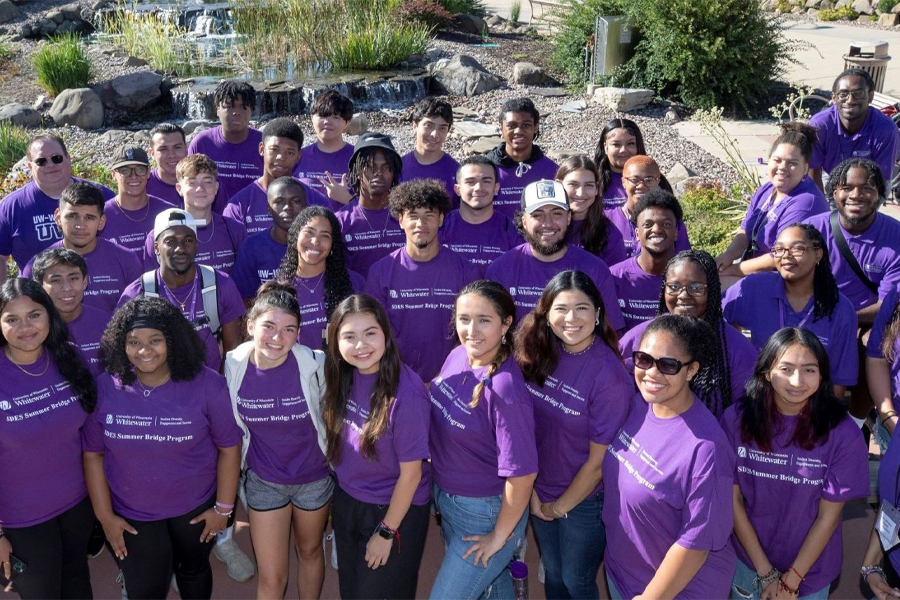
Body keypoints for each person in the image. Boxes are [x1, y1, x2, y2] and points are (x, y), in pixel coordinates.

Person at [83, 296, 242, 599]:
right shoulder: (105, 387)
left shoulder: (208, 384)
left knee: (193, 571)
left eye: (155, 340)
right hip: (133, 513)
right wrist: (105, 516)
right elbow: (93, 454)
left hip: (195, 508)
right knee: (145, 589)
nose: (144, 350)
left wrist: (224, 508)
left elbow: (229, 448)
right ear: (121, 344)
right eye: (133, 342)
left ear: (172, 340)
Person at [723, 328, 868, 600]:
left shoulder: (842, 431)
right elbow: (732, 502)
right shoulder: (736, 419)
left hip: (810, 572)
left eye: (809, 370)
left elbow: (828, 517)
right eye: (786, 368)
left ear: (823, 374)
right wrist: (765, 572)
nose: (797, 380)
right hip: (748, 562)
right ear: (767, 371)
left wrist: (791, 581)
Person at [514, 270, 631, 600]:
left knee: (575, 579)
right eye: (561, 308)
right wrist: (533, 491)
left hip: (583, 499)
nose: (571, 318)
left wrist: (556, 508)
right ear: (547, 314)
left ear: (597, 314)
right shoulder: (538, 352)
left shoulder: (610, 377)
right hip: (540, 487)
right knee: (552, 570)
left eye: (582, 308)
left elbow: (597, 464)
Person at [603, 314, 736, 599]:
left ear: (691, 370)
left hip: (673, 591)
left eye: (668, 365)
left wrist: (650, 598)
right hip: (623, 574)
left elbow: (695, 544)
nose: (652, 372)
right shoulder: (640, 406)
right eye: (644, 359)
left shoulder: (706, 448)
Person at [428, 280, 538, 599]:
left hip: (485, 515)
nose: (471, 330)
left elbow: (523, 474)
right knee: (492, 587)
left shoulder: (506, 390)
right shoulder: (458, 356)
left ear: (506, 324)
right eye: (464, 319)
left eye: (484, 320)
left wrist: (499, 538)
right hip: (448, 500)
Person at [224, 281, 333, 600]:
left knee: (310, 552)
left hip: (313, 478)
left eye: (289, 329)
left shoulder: (315, 364)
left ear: (299, 333)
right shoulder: (233, 364)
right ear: (250, 325)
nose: (277, 337)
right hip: (264, 480)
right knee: (272, 578)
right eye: (269, 326)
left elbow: (333, 417)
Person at [322, 294, 432, 599]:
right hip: (349, 500)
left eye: (370, 333)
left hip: (393, 509)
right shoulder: (343, 376)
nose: (361, 345)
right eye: (349, 336)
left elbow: (411, 476)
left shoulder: (406, 394)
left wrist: (386, 532)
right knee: (353, 591)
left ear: (386, 333)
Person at [0, 278, 96, 599]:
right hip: (21, 519)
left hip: (77, 506)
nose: (25, 327)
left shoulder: (67, 357)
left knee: (77, 586)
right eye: (12, 319)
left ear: (49, 315)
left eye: (34, 315)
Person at [804, 158, 900, 426]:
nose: (856, 194)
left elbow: (888, 304)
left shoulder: (895, 236)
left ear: (880, 194)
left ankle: (856, 424)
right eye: (847, 187)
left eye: (867, 188)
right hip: (813, 315)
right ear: (834, 191)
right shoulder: (812, 229)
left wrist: (844, 319)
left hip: (867, 321)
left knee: (876, 344)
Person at [723, 224, 859, 398]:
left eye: (797, 249)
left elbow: (838, 384)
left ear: (818, 254)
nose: (786, 256)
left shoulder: (840, 309)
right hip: (756, 401)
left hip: (810, 407)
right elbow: (718, 320)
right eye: (779, 249)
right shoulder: (754, 287)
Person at [620, 250, 757, 418]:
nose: (684, 295)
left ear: (712, 291)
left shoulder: (738, 350)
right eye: (674, 287)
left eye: (696, 288)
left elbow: (745, 417)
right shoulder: (640, 337)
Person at [366, 179, 479, 381]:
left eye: (429, 215)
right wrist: (404, 380)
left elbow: (472, 331)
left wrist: (443, 376)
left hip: (453, 379)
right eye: (413, 216)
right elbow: (375, 331)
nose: (421, 224)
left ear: (441, 219)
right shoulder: (380, 272)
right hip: (396, 380)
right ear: (400, 220)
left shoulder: (465, 270)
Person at [485, 179, 625, 331]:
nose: (548, 223)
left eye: (557, 213)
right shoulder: (501, 269)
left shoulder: (595, 269)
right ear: (524, 221)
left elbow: (610, 333)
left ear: (569, 218)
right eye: (538, 215)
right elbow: (492, 333)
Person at [118, 209, 245, 373]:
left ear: (197, 245)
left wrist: (220, 386)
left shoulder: (220, 284)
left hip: (209, 387)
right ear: (156, 248)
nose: (180, 248)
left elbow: (233, 352)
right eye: (170, 241)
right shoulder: (138, 293)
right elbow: (124, 352)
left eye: (188, 240)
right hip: (160, 390)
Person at [716, 123, 828, 285]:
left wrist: (733, 270)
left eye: (792, 163)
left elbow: (780, 257)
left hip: (786, 278)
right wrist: (727, 257)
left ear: (805, 168)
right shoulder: (767, 189)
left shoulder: (806, 203)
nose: (782, 167)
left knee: (709, 293)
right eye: (777, 160)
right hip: (753, 269)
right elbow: (745, 232)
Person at [0, 134, 114, 280]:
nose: (50, 165)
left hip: (98, 290)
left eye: (56, 158)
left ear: (68, 158)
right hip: (37, 297)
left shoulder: (102, 195)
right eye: (41, 161)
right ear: (30, 166)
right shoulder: (11, 206)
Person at [19, 181, 141, 314]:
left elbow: (137, 315)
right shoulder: (36, 266)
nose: (80, 225)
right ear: (58, 217)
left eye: (89, 217)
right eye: (72, 216)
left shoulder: (127, 260)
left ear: (101, 222)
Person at [276, 205, 364, 349]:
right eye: (309, 232)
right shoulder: (279, 289)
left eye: (325, 236)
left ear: (332, 245)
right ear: (295, 235)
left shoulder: (354, 282)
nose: (315, 241)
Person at [143, 154, 247, 274]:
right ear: (179, 188)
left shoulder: (235, 230)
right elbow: (153, 285)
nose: (200, 189)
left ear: (216, 187)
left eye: (207, 182)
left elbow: (243, 281)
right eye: (192, 183)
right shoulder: (160, 235)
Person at [224, 118, 328, 236]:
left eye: (290, 152)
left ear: (298, 156)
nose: (280, 157)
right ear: (262, 149)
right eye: (274, 150)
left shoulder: (317, 201)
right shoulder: (238, 206)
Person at [809, 68, 900, 190]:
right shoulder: (820, 125)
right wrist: (822, 207)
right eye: (843, 94)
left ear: (870, 96)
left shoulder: (886, 129)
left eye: (858, 93)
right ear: (834, 98)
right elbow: (813, 171)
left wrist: (856, 203)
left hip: (869, 183)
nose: (850, 100)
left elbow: (881, 180)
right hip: (830, 176)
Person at [335, 133, 406, 277]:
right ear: (358, 172)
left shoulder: (407, 216)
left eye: (386, 167)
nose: (378, 173)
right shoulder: (340, 221)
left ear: (393, 173)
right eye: (370, 166)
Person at [610, 189, 683, 331]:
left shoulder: (688, 277)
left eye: (666, 224)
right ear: (637, 233)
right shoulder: (614, 277)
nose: (656, 229)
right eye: (648, 225)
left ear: (676, 233)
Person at [31, 248, 111, 375]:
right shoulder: (30, 331)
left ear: (84, 282)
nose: (67, 288)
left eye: (73, 278)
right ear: (40, 286)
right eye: (56, 280)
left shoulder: (108, 324)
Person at [440, 155, 520, 277]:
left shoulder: (512, 231)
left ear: (496, 188)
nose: (478, 188)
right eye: (470, 182)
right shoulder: (440, 227)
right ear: (457, 189)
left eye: (486, 181)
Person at [231, 176, 308, 303]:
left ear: (305, 207)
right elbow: (244, 300)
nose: (287, 207)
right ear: (268, 208)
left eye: (296, 201)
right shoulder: (251, 247)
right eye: (279, 202)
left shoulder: (316, 245)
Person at [187, 80, 264, 199]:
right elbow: (189, 184)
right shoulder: (202, 143)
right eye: (229, 106)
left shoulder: (264, 143)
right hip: (212, 215)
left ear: (251, 109)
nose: (236, 113)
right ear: (217, 108)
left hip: (252, 214)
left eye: (243, 107)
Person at [486, 97, 560, 219]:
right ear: (501, 129)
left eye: (526, 125)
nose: (519, 131)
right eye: (511, 126)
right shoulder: (485, 169)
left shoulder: (551, 171)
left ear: (535, 127)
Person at [603, 155, 689, 260]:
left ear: (658, 182)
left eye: (649, 180)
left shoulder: (672, 221)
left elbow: (683, 261)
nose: (641, 186)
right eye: (634, 180)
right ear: (623, 182)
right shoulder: (606, 219)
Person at [100, 145, 177, 253]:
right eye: (125, 170)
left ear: (148, 171)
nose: (133, 176)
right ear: (113, 174)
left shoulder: (169, 213)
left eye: (140, 169)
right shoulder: (101, 216)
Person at [555, 155, 626, 267]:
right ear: (558, 185)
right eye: (573, 184)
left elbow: (615, 279)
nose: (580, 193)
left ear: (597, 188)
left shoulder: (610, 234)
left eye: (588, 185)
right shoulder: (545, 227)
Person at [593, 118, 669, 210]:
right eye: (616, 144)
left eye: (630, 143)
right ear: (605, 147)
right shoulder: (593, 181)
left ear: (638, 145)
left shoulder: (655, 181)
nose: (623, 150)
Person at [146, 123, 225, 211]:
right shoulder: (144, 185)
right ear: (152, 153)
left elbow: (220, 220)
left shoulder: (208, 183)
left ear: (186, 149)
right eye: (163, 149)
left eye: (177, 147)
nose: (171, 155)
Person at [295, 90, 355, 199]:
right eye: (322, 116)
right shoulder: (298, 156)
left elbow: (373, 208)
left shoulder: (358, 158)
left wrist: (347, 199)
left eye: (335, 117)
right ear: (311, 118)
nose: (327, 122)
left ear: (347, 122)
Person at [400, 98, 460, 204]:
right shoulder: (398, 167)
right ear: (415, 125)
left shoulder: (456, 172)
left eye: (442, 128)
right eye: (429, 125)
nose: (435, 134)